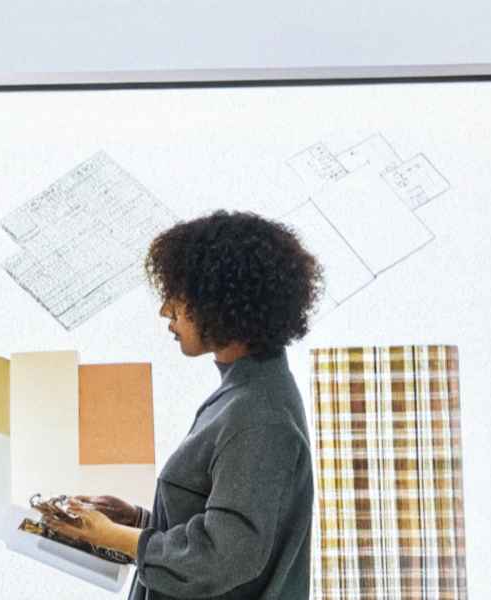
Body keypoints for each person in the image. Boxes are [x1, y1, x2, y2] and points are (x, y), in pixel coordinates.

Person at [45, 210, 321, 600]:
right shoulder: (247, 389)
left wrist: (112, 536)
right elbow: (224, 521)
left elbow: (224, 558)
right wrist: (138, 521)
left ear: (222, 303)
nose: (165, 312)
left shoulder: (259, 417)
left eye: (177, 297)